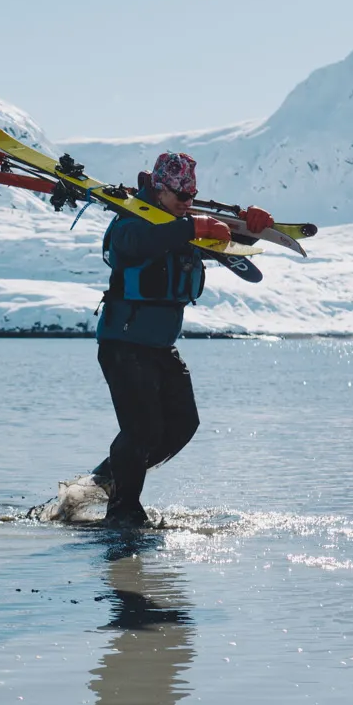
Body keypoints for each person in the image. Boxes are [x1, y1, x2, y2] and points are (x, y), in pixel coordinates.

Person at [89, 151, 271, 525]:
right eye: (180, 196)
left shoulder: (185, 221)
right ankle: (123, 512)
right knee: (141, 428)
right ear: (158, 189)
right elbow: (135, 245)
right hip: (123, 343)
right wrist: (193, 227)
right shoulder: (129, 221)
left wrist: (253, 225)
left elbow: (240, 253)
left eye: (191, 197)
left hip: (160, 347)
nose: (187, 204)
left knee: (182, 424)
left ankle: (105, 480)